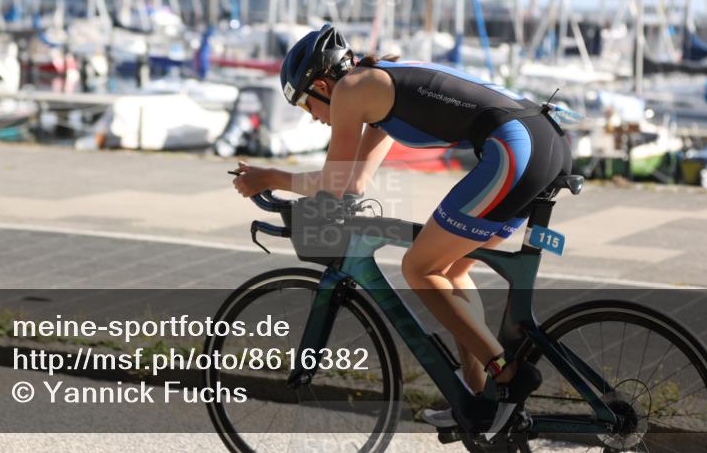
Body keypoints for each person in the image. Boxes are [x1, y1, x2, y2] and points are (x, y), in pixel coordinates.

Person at [231, 24, 573, 433]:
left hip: (516, 147)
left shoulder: (350, 90)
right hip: (540, 142)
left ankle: (506, 372)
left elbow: (335, 180)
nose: (315, 119)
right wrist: (307, 198)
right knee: (450, 270)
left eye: (307, 106)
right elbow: (353, 183)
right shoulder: (375, 87)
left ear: (323, 85)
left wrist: (269, 177)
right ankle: (479, 399)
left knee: (418, 268)